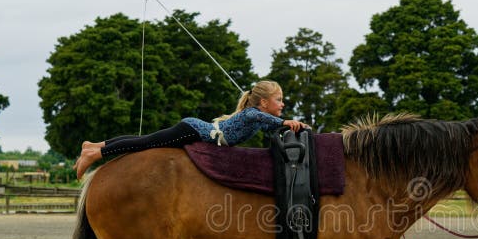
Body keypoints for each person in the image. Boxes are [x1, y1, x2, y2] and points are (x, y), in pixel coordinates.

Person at [73, 80, 306, 179]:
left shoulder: (259, 118)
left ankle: (95, 146)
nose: (282, 104)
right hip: (193, 130)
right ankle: (95, 154)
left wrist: (288, 129)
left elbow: (269, 131)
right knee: (147, 143)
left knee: (146, 139)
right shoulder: (251, 113)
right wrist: (286, 122)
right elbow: (260, 117)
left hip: (196, 129)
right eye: (279, 100)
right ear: (264, 102)